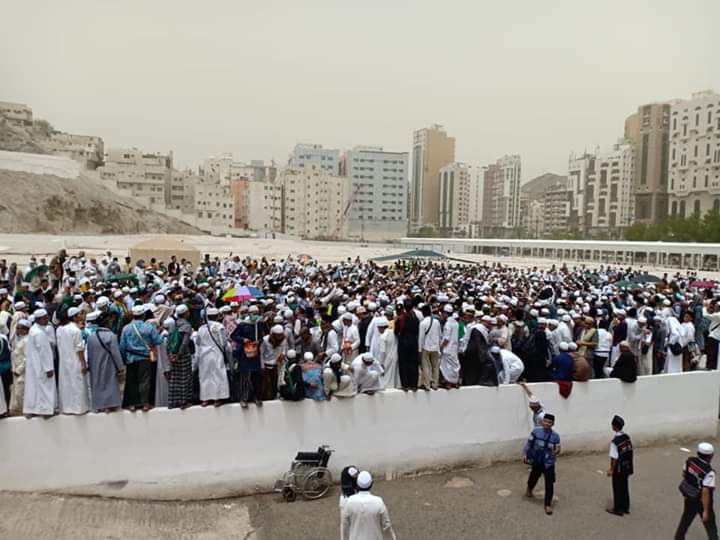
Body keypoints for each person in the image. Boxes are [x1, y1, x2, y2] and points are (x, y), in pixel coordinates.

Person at [120, 304, 162, 412]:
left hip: (131, 358)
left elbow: (122, 346)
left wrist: (124, 359)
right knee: (145, 381)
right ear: (143, 315)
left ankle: (133, 404)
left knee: (132, 381)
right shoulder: (149, 327)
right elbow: (158, 340)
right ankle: (145, 404)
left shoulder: (126, 328)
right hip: (145, 358)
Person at [674, 442, 717, 539]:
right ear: (711, 456)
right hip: (701, 501)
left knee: (685, 520)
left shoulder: (689, 461)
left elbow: (684, 474)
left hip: (689, 497)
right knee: (711, 527)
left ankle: (678, 538)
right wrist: (706, 511)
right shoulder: (709, 472)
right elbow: (705, 492)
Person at [86, 312, 125, 412]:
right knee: (110, 383)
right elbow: (116, 354)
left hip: (95, 366)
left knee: (98, 384)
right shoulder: (111, 336)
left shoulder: (91, 337)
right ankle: (110, 405)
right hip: (109, 365)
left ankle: (100, 405)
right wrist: (120, 367)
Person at [341, 471, 397, 540]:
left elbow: (345, 524)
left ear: (357, 485)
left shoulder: (350, 501)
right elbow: (386, 525)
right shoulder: (378, 502)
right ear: (371, 484)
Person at [524, 413, 561, 515]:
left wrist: (556, 451)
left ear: (553, 423)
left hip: (549, 463)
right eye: (545, 421)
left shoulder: (555, 436)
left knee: (549, 483)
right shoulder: (536, 432)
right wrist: (525, 455)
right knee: (534, 476)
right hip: (537, 460)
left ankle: (547, 504)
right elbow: (529, 444)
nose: (547, 424)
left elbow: (558, 448)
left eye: (549, 422)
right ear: (542, 421)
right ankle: (529, 488)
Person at [23, 309, 57, 417]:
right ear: (39, 319)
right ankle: (46, 411)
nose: (47, 320)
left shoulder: (34, 330)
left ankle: (34, 409)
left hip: (35, 365)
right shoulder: (39, 333)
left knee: (35, 388)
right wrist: (48, 368)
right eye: (45, 318)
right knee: (45, 388)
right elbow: (44, 352)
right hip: (42, 366)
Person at [56, 307, 89, 415]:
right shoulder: (76, 331)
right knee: (78, 385)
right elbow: (79, 349)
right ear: (74, 317)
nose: (81, 315)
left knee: (67, 384)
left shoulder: (61, 330)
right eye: (79, 314)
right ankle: (79, 408)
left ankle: (68, 408)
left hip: (65, 362)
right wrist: (83, 363)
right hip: (75, 361)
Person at [195, 307, 230, 407]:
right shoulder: (219, 326)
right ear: (217, 316)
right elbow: (223, 342)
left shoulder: (201, 328)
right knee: (218, 375)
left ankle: (205, 399)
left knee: (205, 376)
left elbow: (198, 342)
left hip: (204, 355)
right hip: (216, 353)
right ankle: (217, 398)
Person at [606, 415, 633, 516]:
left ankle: (618, 509)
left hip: (619, 469)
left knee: (617, 488)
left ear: (614, 426)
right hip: (627, 466)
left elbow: (614, 458)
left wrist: (611, 469)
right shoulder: (626, 437)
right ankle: (626, 507)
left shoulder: (614, 442)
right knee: (625, 487)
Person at [168, 304, 194, 409]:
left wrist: (171, 354)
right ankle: (184, 402)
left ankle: (172, 401)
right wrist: (179, 354)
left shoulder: (173, 324)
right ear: (186, 313)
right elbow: (184, 343)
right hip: (183, 355)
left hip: (173, 354)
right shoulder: (186, 326)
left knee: (174, 378)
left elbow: (169, 341)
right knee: (184, 377)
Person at [260, 324, 287, 401]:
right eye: (277, 335)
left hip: (277, 365)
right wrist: (262, 367)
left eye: (280, 335)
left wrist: (283, 355)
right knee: (266, 385)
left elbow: (284, 349)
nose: (279, 338)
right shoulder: (265, 340)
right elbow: (261, 353)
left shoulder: (283, 340)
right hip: (266, 365)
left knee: (275, 384)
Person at [8, 318, 30, 415]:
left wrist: (18, 370)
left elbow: (26, 357)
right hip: (17, 372)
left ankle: (25, 411)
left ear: (24, 329)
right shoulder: (22, 340)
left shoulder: (27, 341)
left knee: (20, 393)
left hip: (22, 372)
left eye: (18, 328)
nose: (16, 330)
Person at [417, 304, 441, 390]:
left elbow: (421, 338)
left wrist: (419, 350)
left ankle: (427, 385)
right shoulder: (437, 322)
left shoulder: (422, 323)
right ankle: (435, 384)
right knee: (435, 366)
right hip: (435, 347)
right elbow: (439, 335)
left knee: (426, 366)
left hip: (426, 347)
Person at [439, 304, 460, 388]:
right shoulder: (456, 323)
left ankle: (448, 382)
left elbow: (446, 338)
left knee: (446, 367)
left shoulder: (448, 324)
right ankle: (455, 381)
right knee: (454, 366)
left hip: (448, 348)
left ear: (445, 313)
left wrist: (441, 346)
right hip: (454, 348)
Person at [377, 317, 400, 389]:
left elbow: (382, 352)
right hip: (396, 356)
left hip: (387, 359)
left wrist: (380, 363)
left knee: (387, 379)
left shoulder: (383, 337)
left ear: (381, 328)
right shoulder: (393, 333)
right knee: (395, 376)